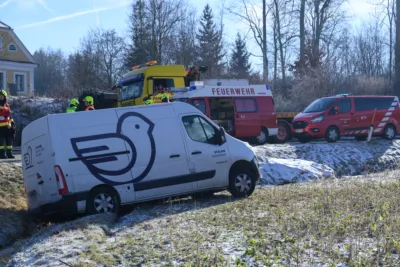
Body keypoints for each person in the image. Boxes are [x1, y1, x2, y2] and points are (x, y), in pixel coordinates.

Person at [0, 90, 14, 159]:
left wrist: (12, 124)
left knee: (9, 140)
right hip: (0, 127)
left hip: (8, 126)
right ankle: (2, 154)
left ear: (4, 96)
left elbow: (9, 115)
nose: (0, 97)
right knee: (1, 142)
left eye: (1, 96)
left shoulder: (7, 105)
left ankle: (9, 153)